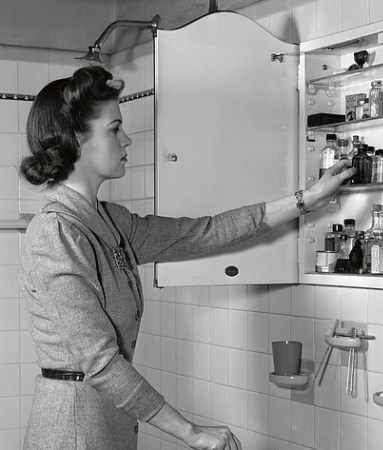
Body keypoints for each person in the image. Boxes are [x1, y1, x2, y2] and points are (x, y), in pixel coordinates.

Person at [19, 66, 356, 450]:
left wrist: (307, 199)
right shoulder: (55, 233)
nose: (127, 139)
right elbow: (101, 363)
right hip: (71, 429)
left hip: (108, 423)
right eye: (115, 129)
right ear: (76, 139)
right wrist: (192, 433)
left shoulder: (110, 221)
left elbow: (204, 232)